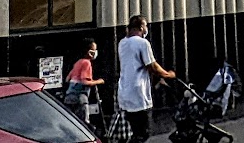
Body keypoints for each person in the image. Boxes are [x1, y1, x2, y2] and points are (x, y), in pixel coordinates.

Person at [116, 15, 174, 143]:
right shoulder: (143, 43)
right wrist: (168, 74)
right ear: (141, 27)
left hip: (125, 92)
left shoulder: (122, 43)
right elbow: (152, 65)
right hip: (139, 93)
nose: (147, 28)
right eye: (146, 25)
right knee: (144, 133)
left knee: (135, 130)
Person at [63, 40, 104, 121]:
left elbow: (67, 79)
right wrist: (99, 81)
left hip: (69, 97)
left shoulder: (78, 63)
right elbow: (84, 82)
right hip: (80, 98)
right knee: (83, 122)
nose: (95, 52)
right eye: (94, 50)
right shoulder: (86, 63)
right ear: (89, 52)